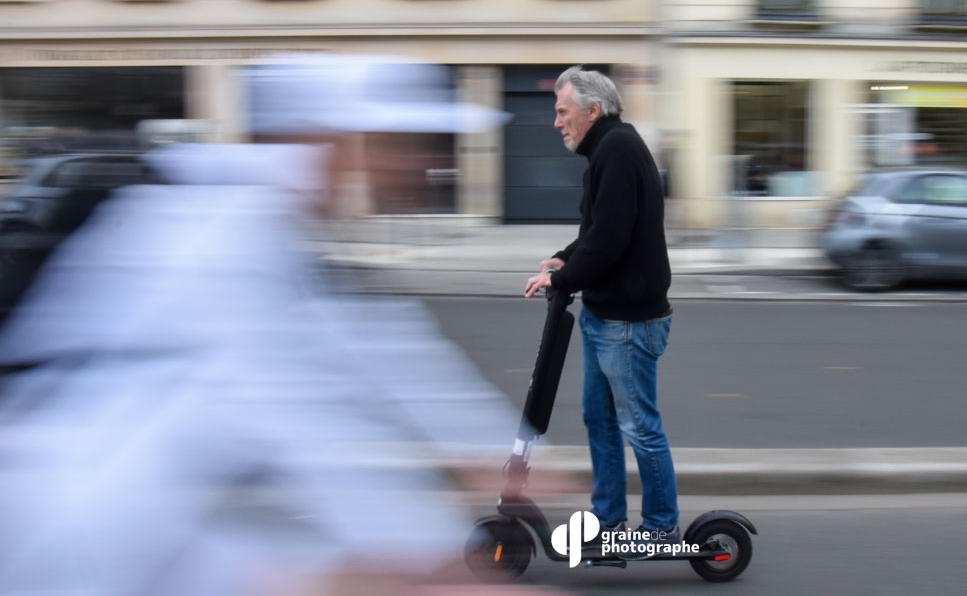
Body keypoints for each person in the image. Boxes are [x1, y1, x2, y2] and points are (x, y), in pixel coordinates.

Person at [0, 54, 529, 596]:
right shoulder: (219, 234)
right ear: (331, 144)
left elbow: (383, 347)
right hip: (92, 529)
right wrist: (425, 552)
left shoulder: (276, 229)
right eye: (397, 143)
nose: (420, 165)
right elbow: (294, 408)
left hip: (159, 517)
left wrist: (494, 451)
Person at [522, 66, 679, 552]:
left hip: (628, 322)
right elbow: (602, 231)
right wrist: (566, 258)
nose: (556, 122)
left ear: (593, 110)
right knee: (600, 418)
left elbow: (611, 239)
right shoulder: (609, 151)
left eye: (562, 111)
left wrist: (562, 279)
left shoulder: (617, 150)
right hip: (605, 315)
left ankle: (661, 526)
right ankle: (608, 518)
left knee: (638, 426)